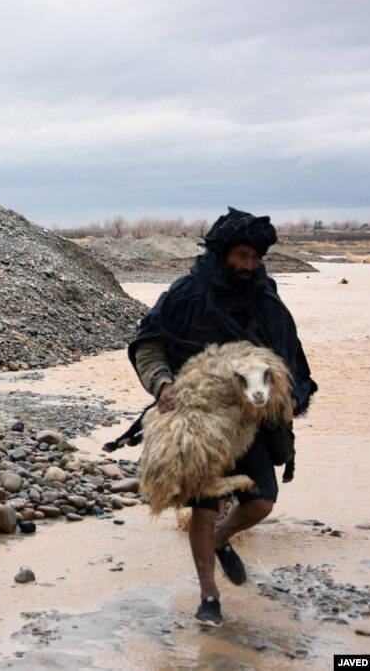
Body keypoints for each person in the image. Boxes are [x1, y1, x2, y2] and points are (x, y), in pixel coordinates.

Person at [127, 207, 317, 628]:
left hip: (252, 423)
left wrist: (289, 394)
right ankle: (209, 595)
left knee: (262, 503)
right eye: (242, 257)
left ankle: (220, 538)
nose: (249, 266)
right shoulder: (187, 294)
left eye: (255, 258)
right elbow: (149, 345)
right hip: (198, 422)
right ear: (223, 253)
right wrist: (162, 384)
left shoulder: (265, 296)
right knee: (204, 505)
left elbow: (289, 354)